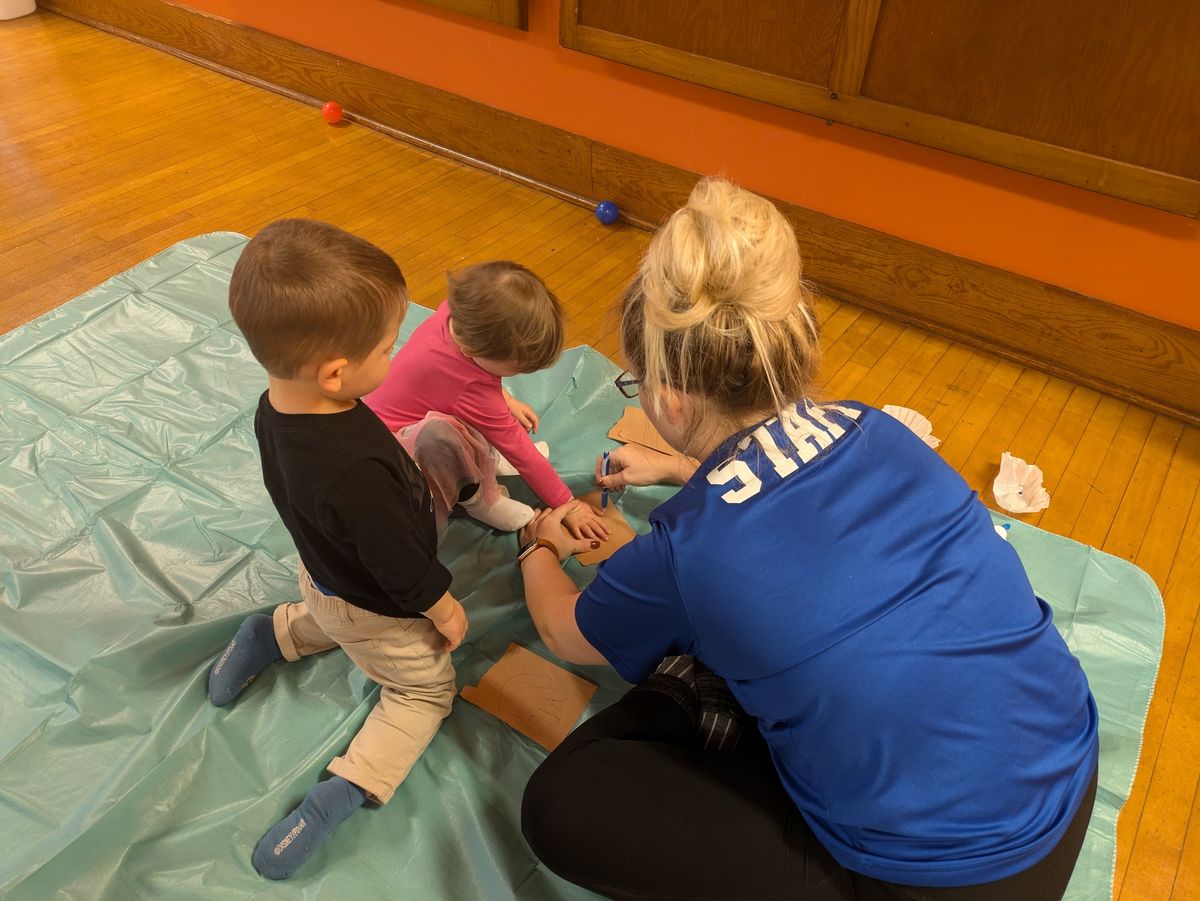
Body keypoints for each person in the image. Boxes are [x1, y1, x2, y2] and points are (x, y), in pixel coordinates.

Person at [515, 179, 1099, 900]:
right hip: (1066, 758)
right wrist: (680, 468)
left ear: (667, 395)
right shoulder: (872, 426)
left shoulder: (683, 551)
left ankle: (696, 691)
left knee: (561, 803)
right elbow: (793, 492)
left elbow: (564, 630)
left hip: (939, 882)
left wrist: (537, 543)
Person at [207, 219, 466, 880]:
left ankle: (272, 634)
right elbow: (399, 567)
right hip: (377, 607)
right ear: (334, 372)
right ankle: (347, 787)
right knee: (424, 691)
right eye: (387, 346)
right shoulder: (355, 472)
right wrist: (441, 607)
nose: (394, 354)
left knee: (328, 613)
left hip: (321, 574)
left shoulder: (276, 407)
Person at [364, 260, 608, 540]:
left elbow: (462, 385)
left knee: (477, 416)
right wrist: (569, 505)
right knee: (445, 436)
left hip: (393, 418)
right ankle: (481, 498)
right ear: (472, 348)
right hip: (399, 453)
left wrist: (505, 399)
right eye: (515, 368)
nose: (518, 374)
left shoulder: (458, 313)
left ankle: (483, 459)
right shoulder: (471, 389)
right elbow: (522, 452)